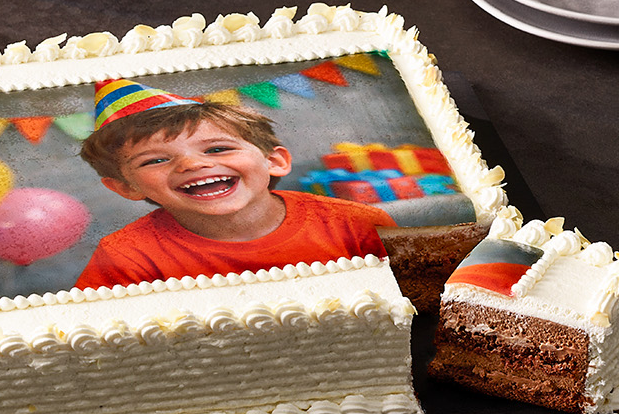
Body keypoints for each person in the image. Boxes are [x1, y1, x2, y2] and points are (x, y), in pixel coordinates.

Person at [74, 78, 397, 289]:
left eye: (217, 149)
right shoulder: (125, 257)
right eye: (156, 160)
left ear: (274, 161)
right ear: (126, 187)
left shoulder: (357, 224)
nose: (192, 164)